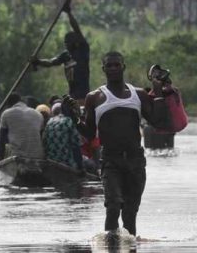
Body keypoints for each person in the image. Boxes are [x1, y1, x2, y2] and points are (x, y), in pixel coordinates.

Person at [64, 51, 168, 237]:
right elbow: (88, 133)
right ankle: (110, 245)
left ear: (123, 67)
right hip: (110, 161)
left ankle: (130, 246)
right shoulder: (94, 98)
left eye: (116, 65)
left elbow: (157, 122)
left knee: (129, 215)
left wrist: (158, 91)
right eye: (109, 65)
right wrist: (73, 118)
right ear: (103, 69)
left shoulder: (139, 94)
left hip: (135, 161)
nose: (113, 68)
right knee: (112, 207)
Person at [31, 0, 90, 106]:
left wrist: (68, 13)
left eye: (69, 41)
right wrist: (38, 61)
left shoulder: (82, 50)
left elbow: (77, 29)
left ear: (76, 42)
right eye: (65, 42)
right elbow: (51, 62)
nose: (66, 44)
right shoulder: (65, 55)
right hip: (72, 94)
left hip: (83, 95)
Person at [0, 93, 44, 168]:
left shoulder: (7, 114)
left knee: (5, 145)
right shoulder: (38, 114)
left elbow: (1, 139)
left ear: (9, 105)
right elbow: (42, 137)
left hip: (18, 157)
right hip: (38, 156)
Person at [43, 102, 83, 170]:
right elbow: (76, 146)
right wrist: (80, 167)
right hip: (67, 164)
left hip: (51, 163)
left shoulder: (50, 121)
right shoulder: (69, 121)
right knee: (90, 165)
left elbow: (44, 142)